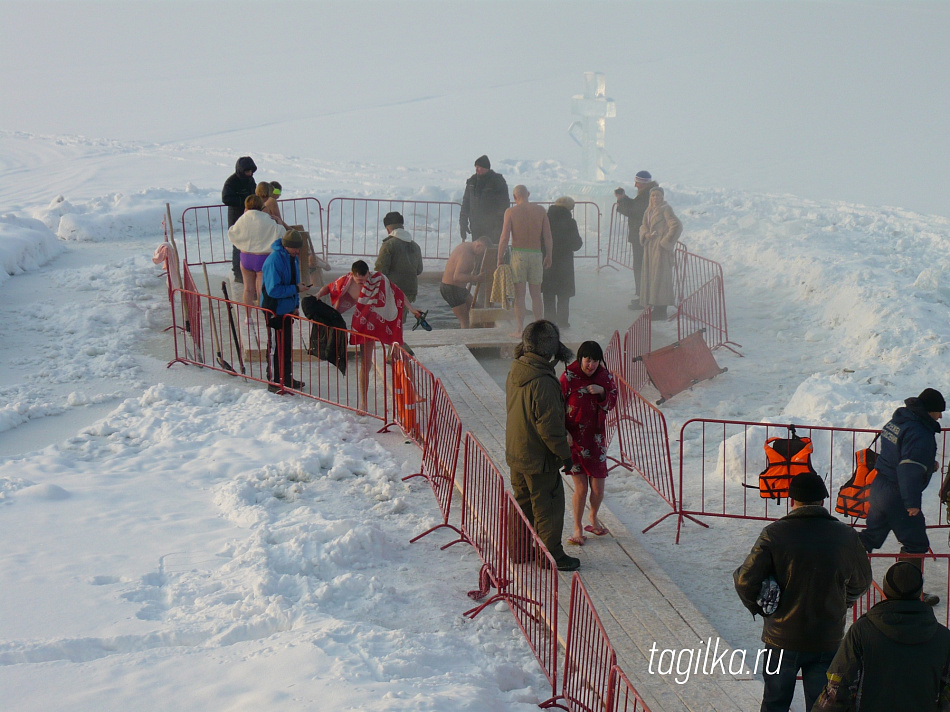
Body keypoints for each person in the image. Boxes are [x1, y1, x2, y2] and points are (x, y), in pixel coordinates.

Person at [734, 471, 872, 712]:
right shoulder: (846, 536)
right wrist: (841, 601)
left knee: (774, 703)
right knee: (822, 705)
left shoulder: (774, 534)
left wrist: (760, 608)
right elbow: (862, 581)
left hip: (781, 638)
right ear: (822, 501)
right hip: (826, 637)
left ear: (792, 500)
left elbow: (745, 580)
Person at [814, 561, 950, 711]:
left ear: (885, 590)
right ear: (919, 592)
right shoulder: (943, 637)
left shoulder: (862, 631)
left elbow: (838, 687)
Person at [505, 320, 579, 572]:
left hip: (517, 451)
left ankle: (520, 550)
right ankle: (551, 555)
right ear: (549, 351)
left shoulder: (516, 368)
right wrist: (565, 456)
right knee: (548, 505)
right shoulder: (545, 382)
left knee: (523, 503)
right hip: (539, 458)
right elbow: (549, 428)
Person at [860, 388, 945, 606]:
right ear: (929, 411)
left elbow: (899, 454)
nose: (941, 417)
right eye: (938, 411)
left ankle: (842, 576)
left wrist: (927, 465)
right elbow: (908, 468)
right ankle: (909, 593)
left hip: (879, 487)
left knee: (870, 538)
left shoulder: (899, 420)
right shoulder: (920, 432)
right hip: (899, 495)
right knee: (916, 544)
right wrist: (912, 504)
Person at [315, 260, 421, 410]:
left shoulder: (378, 279)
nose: (362, 284)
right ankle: (363, 403)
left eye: (364, 280)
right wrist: (319, 293)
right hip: (365, 324)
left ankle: (414, 393)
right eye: (359, 281)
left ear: (368, 274)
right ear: (352, 275)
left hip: (384, 321)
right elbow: (329, 287)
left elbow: (397, 292)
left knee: (402, 354)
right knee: (365, 363)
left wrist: (411, 308)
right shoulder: (346, 282)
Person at [560, 341, 618, 546]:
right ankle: (577, 528)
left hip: (595, 439)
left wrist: (602, 392)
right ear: (580, 358)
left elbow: (612, 402)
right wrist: (563, 430)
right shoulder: (569, 375)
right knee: (582, 488)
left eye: (594, 360)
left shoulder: (605, 376)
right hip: (574, 439)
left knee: (598, 488)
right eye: (587, 360)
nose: (590, 365)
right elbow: (557, 403)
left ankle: (593, 518)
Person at [496, 185, 553, 337]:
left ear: (514, 197)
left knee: (519, 296)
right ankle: (539, 330)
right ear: (528, 194)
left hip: (518, 255)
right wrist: (549, 255)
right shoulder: (540, 210)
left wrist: (500, 257)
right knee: (536, 295)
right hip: (536, 254)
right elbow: (547, 235)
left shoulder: (511, 212)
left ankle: (520, 329)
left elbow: (504, 237)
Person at [261, 229, 308, 393]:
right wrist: (295, 289)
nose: (297, 251)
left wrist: (295, 305)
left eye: (298, 248)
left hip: (287, 310)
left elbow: (295, 281)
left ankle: (286, 378)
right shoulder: (274, 260)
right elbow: (273, 290)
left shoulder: (292, 258)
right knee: (275, 346)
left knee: (286, 346)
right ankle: (274, 381)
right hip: (273, 310)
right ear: (286, 246)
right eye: (295, 248)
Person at [228, 195, 285, 306]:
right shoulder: (266, 218)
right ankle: (261, 314)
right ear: (261, 206)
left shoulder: (243, 218)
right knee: (260, 290)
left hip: (246, 257)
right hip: (263, 257)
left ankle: (248, 317)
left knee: (248, 289)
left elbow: (232, 232)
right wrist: (279, 222)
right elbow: (281, 234)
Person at [614, 170, 658, 309]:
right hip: (641, 236)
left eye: (637, 182)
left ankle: (643, 299)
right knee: (640, 267)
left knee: (641, 267)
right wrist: (624, 198)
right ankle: (642, 297)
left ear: (643, 183)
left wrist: (621, 200)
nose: (635, 185)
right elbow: (634, 207)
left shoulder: (647, 196)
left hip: (642, 237)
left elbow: (633, 211)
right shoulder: (646, 194)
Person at [639, 186, 682, 320]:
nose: (656, 198)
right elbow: (643, 226)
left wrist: (665, 242)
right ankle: (654, 307)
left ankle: (661, 310)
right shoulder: (649, 210)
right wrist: (646, 234)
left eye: (658, 195)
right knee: (653, 278)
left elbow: (677, 225)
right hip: (650, 249)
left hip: (660, 250)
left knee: (661, 279)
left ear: (662, 197)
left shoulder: (666, 209)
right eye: (653, 196)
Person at [541, 196, 583, 329]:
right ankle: (563, 322)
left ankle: (549, 322)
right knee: (563, 295)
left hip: (547, 260)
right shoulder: (570, 222)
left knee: (548, 293)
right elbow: (576, 244)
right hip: (564, 264)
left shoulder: (545, 219)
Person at [375, 211, 424, 307]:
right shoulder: (415, 246)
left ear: (388, 230)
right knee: (401, 319)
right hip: (411, 290)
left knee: (390, 319)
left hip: (393, 290)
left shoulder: (389, 244)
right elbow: (419, 270)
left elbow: (380, 270)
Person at [440, 237, 491, 328]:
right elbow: (457, 277)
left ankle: (477, 334)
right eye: (482, 252)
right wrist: (475, 278)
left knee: (477, 309)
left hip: (460, 289)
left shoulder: (468, 247)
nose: (481, 255)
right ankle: (466, 340)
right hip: (451, 289)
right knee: (465, 320)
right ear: (478, 245)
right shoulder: (466, 253)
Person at [222, 156, 257, 283]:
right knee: (238, 244)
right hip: (236, 217)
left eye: (251, 171)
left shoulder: (250, 180)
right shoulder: (231, 182)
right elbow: (226, 198)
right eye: (247, 171)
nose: (249, 173)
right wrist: (244, 201)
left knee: (250, 243)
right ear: (241, 170)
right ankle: (238, 273)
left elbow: (254, 192)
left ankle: (249, 270)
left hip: (249, 216)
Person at [459, 154, 509, 244]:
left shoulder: (497, 181)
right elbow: (466, 202)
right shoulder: (472, 182)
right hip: (476, 226)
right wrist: (463, 222)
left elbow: (504, 204)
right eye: (476, 167)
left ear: (486, 168)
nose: (476, 169)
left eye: (479, 167)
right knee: (478, 252)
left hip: (493, 227)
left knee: (492, 253)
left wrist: (499, 224)